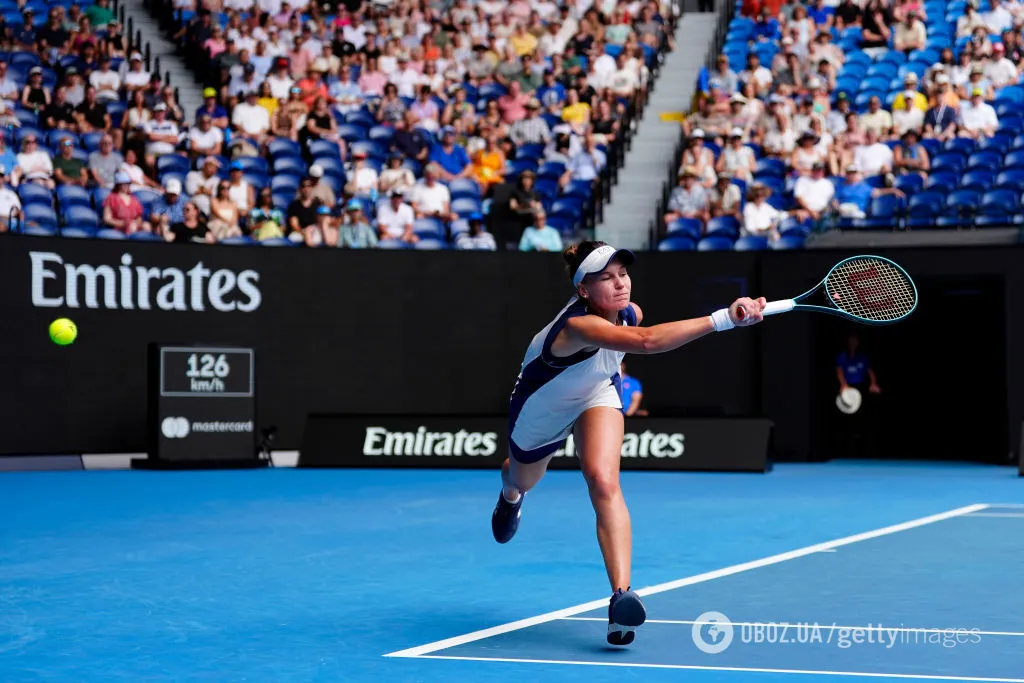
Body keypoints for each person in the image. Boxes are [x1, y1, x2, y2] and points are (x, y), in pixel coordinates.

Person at [491, 241, 766, 646]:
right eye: (607, 278)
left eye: (623, 274)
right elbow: (648, 342)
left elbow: (637, 326)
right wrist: (724, 318)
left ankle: (621, 597)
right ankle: (510, 495)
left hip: (596, 393)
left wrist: (739, 313)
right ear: (583, 289)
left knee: (604, 481)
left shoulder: (628, 312)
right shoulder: (576, 326)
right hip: (541, 411)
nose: (620, 284)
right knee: (522, 479)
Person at [835, 333, 882, 458]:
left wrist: (873, 384)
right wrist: (843, 385)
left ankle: (866, 452)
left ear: (857, 342)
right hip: (847, 390)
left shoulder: (863, 357)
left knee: (863, 421)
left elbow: (870, 372)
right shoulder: (842, 357)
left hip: (860, 389)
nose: (852, 343)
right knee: (847, 422)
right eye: (850, 340)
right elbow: (839, 371)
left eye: (854, 341)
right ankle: (846, 452)